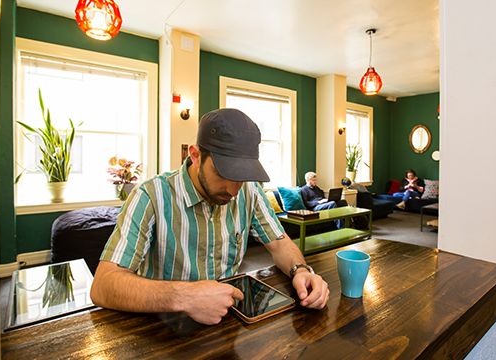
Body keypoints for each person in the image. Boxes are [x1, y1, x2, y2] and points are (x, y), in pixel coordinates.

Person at [90, 108, 330, 325]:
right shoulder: (150, 196)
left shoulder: (249, 191)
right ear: (195, 155)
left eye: (242, 175)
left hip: (228, 322)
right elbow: (104, 285)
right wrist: (185, 296)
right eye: (223, 173)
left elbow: (279, 243)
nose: (233, 190)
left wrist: (301, 271)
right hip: (160, 328)